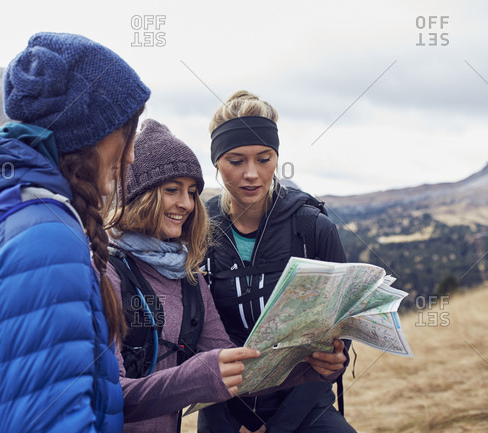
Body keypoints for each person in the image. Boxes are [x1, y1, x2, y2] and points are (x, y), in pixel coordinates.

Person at [0, 33, 150, 433]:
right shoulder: (45, 239)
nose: (131, 155)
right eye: (126, 134)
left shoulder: (4, 206)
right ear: (92, 135)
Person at [105, 119, 347, 433]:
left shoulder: (187, 276)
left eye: (192, 192)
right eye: (172, 190)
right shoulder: (106, 272)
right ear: (139, 194)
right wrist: (199, 377)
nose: (186, 204)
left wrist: (313, 369)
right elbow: (108, 395)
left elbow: (236, 364)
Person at [197, 91, 357, 433]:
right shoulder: (197, 231)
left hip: (304, 405)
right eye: (236, 161)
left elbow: (340, 329)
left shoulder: (313, 227)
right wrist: (238, 421)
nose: (252, 174)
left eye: (264, 158)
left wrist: (335, 362)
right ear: (216, 163)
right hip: (222, 407)